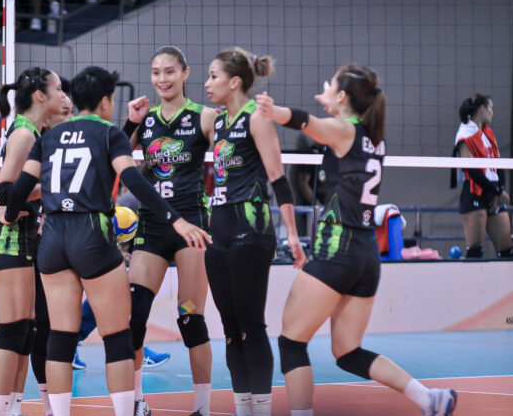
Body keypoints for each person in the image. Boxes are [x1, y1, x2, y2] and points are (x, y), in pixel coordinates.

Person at [0, 65, 210, 416]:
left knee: (60, 337)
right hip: (91, 234)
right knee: (117, 337)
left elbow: (17, 190)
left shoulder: (48, 136)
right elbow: (134, 181)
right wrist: (176, 219)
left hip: (53, 237)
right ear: (107, 101)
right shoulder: (110, 133)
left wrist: (9, 212)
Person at [256, 64, 457, 416]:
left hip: (338, 248)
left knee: (291, 343)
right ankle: (429, 399)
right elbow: (329, 126)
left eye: (332, 86)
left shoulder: (344, 131)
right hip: (366, 254)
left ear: (344, 96)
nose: (326, 89)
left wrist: (273, 111)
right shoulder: (372, 136)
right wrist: (332, 103)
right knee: (348, 352)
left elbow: (305, 122)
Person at [202, 47, 306, 416]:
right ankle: (242, 408)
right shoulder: (216, 122)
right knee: (230, 329)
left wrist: (292, 234)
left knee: (251, 325)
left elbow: (278, 178)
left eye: (213, 76)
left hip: (251, 228)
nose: (207, 83)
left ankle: (261, 409)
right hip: (218, 231)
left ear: (234, 82)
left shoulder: (257, 118)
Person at [120, 45, 216, 416]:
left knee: (190, 317)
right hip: (152, 224)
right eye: (157, 72)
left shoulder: (204, 116)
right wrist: (131, 121)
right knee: (134, 317)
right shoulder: (145, 119)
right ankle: (136, 401)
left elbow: (231, 156)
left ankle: (202, 408)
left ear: (185, 73)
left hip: (191, 227)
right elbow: (115, 154)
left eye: (170, 71)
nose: (162, 79)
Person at [0, 67, 66, 416]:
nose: (63, 95)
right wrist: (52, 189)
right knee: (12, 332)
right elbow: (3, 190)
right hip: (4, 242)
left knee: (25, 332)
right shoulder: (25, 133)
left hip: (20, 241)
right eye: (59, 89)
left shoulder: (34, 131)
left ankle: (12, 409)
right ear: (40, 95)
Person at [452, 94, 512, 258]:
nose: (493, 112)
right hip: (475, 193)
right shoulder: (464, 133)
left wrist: (499, 189)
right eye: (491, 108)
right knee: (475, 251)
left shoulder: (488, 133)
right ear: (483, 109)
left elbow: (499, 164)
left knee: (507, 251)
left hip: (493, 192)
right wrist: (497, 191)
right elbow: (473, 171)